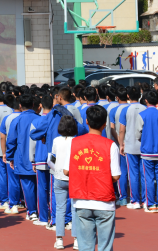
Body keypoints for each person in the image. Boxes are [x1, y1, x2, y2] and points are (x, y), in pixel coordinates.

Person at [68, 105, 120, 251]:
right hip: (104, 200)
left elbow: (67, 170)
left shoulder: (74, 143)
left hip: (81, 199)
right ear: (105, 124)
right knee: (105, 246)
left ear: (86, 121)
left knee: (85, 246)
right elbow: (115, 175)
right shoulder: (110, 145)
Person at [136, 91, 158, 213]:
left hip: (147, 151)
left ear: (146, 101)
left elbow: (138, 133)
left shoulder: (142, 115)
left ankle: (151, 203)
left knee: (148, 178)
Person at [51, 115, 79, 249]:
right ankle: (77, 239)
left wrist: (56, 169)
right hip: (74, 177)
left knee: (60, 209)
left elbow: (53, 158)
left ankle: (59, 239)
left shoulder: (56, 140)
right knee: (75, 208)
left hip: (59, 177)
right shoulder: (77, 141)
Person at [117, 86, 145, 209]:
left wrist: (121, 144)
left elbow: (121, 130)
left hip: (130, 145)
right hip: (144, 145)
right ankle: (145, 199)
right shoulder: (145, 108)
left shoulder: (126, 110)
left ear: (128, 96)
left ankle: (135, 200)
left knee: (132, 174)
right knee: (144, 174)